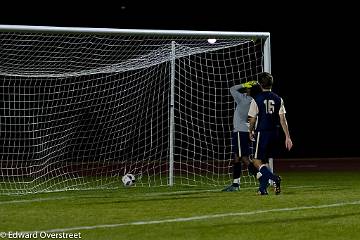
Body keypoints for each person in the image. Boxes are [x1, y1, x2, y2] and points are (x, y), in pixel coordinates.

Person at [248, 72, 293, 195]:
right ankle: (263, 189)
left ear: (260, 84)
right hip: (275, 133)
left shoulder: (256, 99)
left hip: (262, 132)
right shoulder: (279, 99)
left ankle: (274, 179)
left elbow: (252, 118)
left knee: (256, 161)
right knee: (265, 161)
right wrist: (288, 137)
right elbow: (283, 119)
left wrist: (250, 131)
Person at [222, 80, 261, 192]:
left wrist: (243, 85)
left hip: (240, 131)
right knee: (237, 157)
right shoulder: (255, 101)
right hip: (247, 131)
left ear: (250, 90)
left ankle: (261, 177)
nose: (247, 88)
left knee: (244, 157)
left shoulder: (243, 100)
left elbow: (232, 89)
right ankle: (235, 184)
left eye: (249, 87)